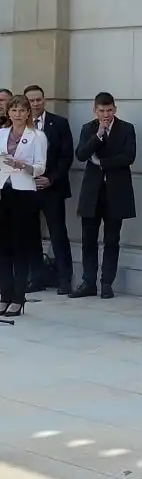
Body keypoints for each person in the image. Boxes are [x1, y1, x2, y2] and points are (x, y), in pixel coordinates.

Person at [71, 92, 137, 299]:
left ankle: (107, 282)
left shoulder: (126, 128)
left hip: (116, 192)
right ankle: (88, 282)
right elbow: (81, 154)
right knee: (88, 239)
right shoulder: (88, 129)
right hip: (93, 192)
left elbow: (129, 156)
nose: (106, 115)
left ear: (115, 109)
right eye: (102, 111)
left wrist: (102, 163)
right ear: (95, 110)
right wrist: (98, 136)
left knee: (111, 239)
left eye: (109, 110)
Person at [0, 95, 48, 317]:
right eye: (13, 110)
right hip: (3, 191)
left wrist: (22, 165)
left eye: (21, 110)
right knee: (3, 247)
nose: (17, 114)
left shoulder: (37, 136)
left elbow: (39, 168)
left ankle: (19, 297)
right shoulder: (1, 133)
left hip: (24, 192)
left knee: (20, 247)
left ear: (28, 112)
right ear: (8, 112)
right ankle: (5, 293)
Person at [24, 85, 75, 295]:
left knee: (58, 234)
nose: (35, 104)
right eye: (31, 101)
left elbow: (66, 156)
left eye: (39, 100)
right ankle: (37, 278)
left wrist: (50, 179)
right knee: (30, 235)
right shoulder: (19, 126)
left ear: (44, 100)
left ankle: (65, 280)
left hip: (52, 189)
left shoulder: (59, 123)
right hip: (27, 189)